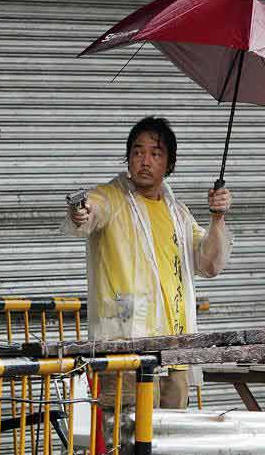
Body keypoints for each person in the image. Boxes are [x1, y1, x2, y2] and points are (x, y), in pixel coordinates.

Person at [62, 116, 233, 411]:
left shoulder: (178, 214)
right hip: (126, 348)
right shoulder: (111, 198)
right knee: (127, 443)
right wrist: (81, 212)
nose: (145, 160)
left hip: (174, 348)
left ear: (169, 164)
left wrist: (217, 217)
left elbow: (209, 264)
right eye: (137, 152)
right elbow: (90, 211)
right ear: (128, 159)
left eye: (155, 153)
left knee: (170, 444)